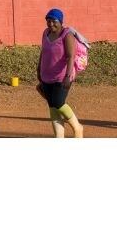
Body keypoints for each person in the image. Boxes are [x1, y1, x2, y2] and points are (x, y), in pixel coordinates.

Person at [36, 8, 84, 138]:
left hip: (61, 77)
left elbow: (70, 56)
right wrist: (39, 68)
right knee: (52, 106)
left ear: (61, 22)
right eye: (48, 21)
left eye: (54, 21)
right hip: (46, 75)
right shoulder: (46, 33)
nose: (51, 24)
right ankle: (59, 136)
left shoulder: (67, 35)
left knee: (58, 102)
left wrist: (68, 76)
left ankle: (77, 127)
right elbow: (43, 51)